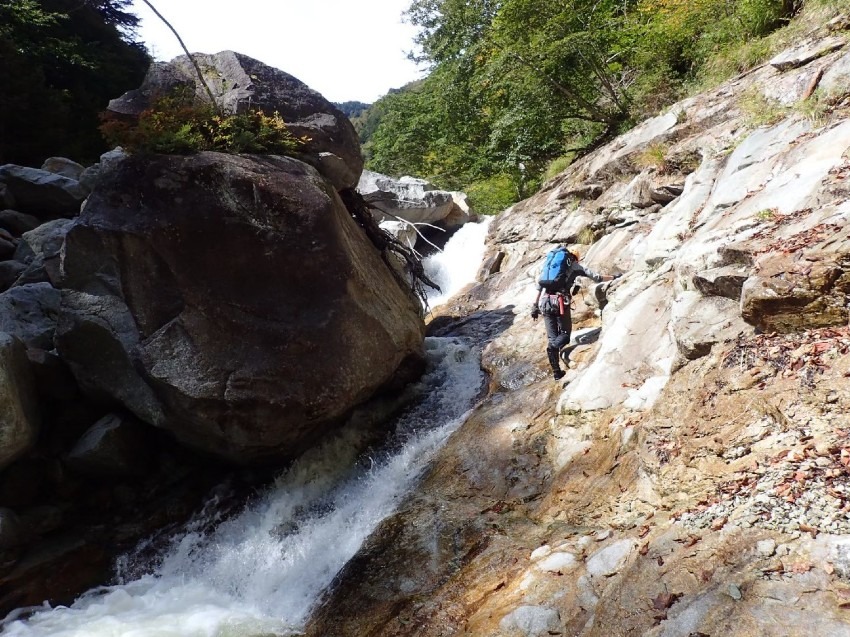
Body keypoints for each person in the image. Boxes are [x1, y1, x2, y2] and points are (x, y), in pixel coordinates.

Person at [530, 248, 619, 380]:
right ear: (575, 258)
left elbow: (539, 287)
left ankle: (556, 372)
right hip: (559, 303)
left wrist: (534, 306)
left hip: (544, 302)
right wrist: (615, 278)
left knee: (552, 338)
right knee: (565, 335)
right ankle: (554, 348)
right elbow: (597, 277)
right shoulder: (574, 265)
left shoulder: (550, 269)